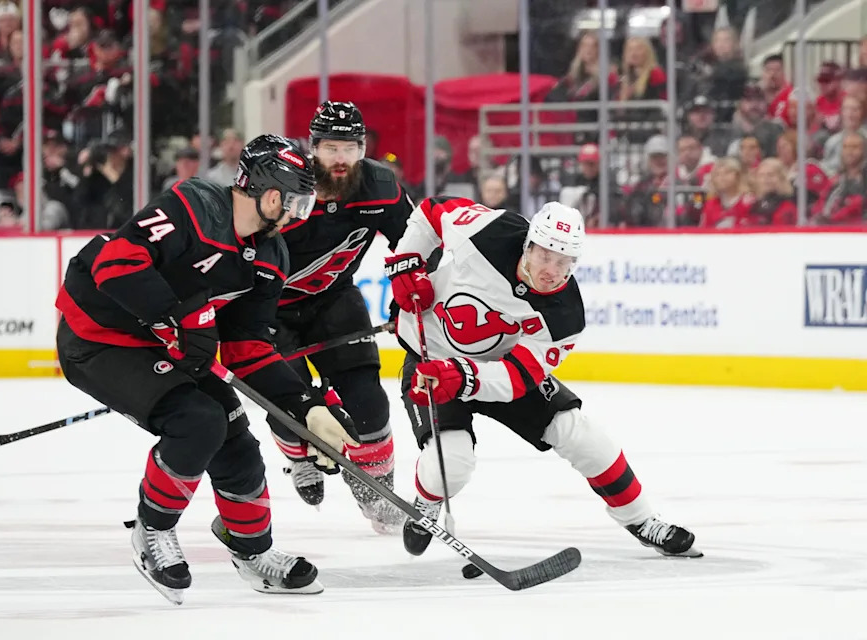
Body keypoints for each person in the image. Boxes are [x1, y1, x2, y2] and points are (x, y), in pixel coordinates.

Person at [55, 134, 361, 603]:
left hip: (175, 343)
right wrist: (181, 313)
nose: (300, 216)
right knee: (198, 422)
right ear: (272, 195)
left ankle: (253, 551)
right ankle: (151, 531)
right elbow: (115, 263)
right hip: (99, 337)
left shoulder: (271, 257)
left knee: (237, 442)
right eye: (297, 203)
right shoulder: (191, 205)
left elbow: (247, 345)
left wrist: (302, 404)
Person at [384, 199, 702, 559]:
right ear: (528, 244)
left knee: (579, 433)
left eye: (564, 261)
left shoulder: (564, 315)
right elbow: (431, 211)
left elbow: (517, 377)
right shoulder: (491, 231)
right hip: (432, 362)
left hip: (495, 368)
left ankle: (642, 520)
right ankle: (427, 503)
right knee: (452, 466)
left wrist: (463, 375)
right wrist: (406, 265)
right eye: (546, 255)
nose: (552, 269)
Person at [268, 101, 413, 533]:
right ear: (312, 148)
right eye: (330, 147)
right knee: (287, 398)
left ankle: (377, 490)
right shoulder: (284, 186)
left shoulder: (380, 186)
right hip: (270, 307)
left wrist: (407, 296)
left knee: (369, 401)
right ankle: (298, 457)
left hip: (334, 299)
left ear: (363, 148)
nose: (340, 158)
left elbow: (415, 243)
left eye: (349, 147)